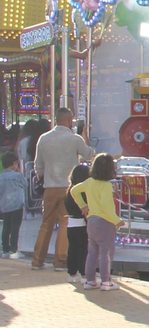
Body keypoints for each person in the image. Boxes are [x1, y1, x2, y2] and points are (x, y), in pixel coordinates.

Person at [31, 109, 95, 270]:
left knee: (46, 223)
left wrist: (43, 178)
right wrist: (84, 135)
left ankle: (37, 260)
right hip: (68, 188)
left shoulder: (43, 139)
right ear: (69, 121)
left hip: (49, 187)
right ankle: (59, 260)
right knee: (64, 222)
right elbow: (89, 154)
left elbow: (38, 165)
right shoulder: (74, 139)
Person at [69, 154, 124, 291]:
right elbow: (106, 206)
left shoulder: (89, 182)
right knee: (106, 252)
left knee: (92, 251)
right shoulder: (106, 186)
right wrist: (117, 221)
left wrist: (83, 205)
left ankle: (90, 280)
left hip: (91, 220)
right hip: (106, 221)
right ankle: (106, 281)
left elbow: (74, 190)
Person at [62, 163, 90, 284]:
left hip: (71, 223)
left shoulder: (69, 191)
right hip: (82, 224)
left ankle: (72, 273)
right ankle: (84, 273)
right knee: (83, 249)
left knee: (72, 249)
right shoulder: (82, 191)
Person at [0, 151, 26, 258]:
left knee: (6, 227)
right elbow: (25, 184)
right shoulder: (17, 176)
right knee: (15, 227)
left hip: (5, 205)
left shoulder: (1, 177)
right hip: (17, 205)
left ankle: (5, 249)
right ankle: (14, 250)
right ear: (15, 163)